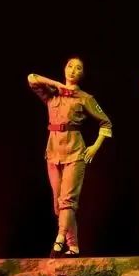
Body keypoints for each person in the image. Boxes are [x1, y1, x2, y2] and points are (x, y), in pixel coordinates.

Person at [28, 57, 113, 257]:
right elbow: (31, 78)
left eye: (78, 68)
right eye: (70, 66)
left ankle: (59, 240)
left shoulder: (85, 98)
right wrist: (57, 84)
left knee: (68, 200)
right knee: (58, 204)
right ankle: (73, 246)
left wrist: (95, 147)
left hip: (74, 150)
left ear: (82, 74)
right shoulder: (53, 94)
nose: (73, 70)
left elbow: (106, 123)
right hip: (53, 150)